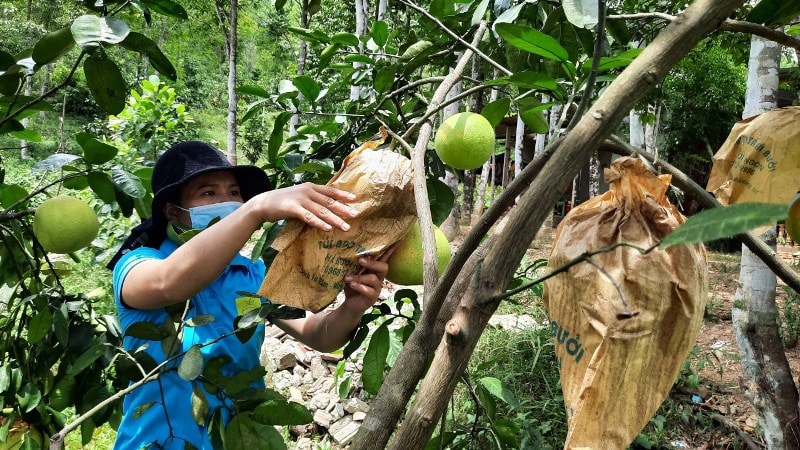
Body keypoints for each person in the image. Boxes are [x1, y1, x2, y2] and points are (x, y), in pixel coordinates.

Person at [109, 141, 392, 449]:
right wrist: (255, 210)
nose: (228, 201)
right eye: (209, 192)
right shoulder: (138, 264)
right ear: (173, 212)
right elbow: (169, 283)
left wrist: (352, 308)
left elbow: (315, 335)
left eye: (234, 193)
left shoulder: (250, 273)